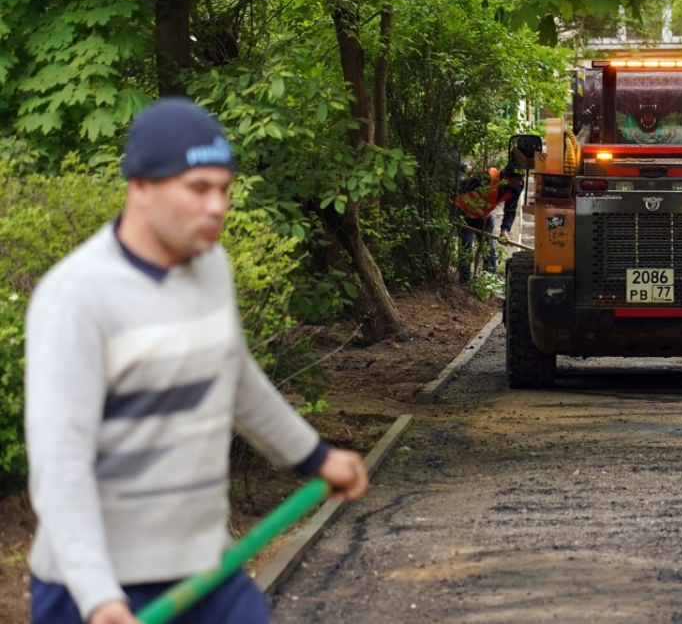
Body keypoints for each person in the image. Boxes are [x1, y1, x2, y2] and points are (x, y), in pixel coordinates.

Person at [24, 98, 369, 624]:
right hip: (95, 587)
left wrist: (316, 459)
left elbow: (232, 376)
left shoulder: (211, 267)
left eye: (224, 189)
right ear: (140, 187)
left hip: (205, 570)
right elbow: (60, 466)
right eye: (198, 188)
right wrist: (100, 600)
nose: (217, 207)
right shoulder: (76, 297)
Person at [454, 162, 524, 283]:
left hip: (483, 216)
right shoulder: (487, 177)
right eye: (517, 179)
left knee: (489, 249)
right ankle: (464, 283)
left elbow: (510, 211)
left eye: (521, 179)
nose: (520, 182)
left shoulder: (516, 188)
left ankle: (489, 282)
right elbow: (460, 188)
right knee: (466, 247)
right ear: (506, 177)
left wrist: (505, 230)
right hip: (463, 213)